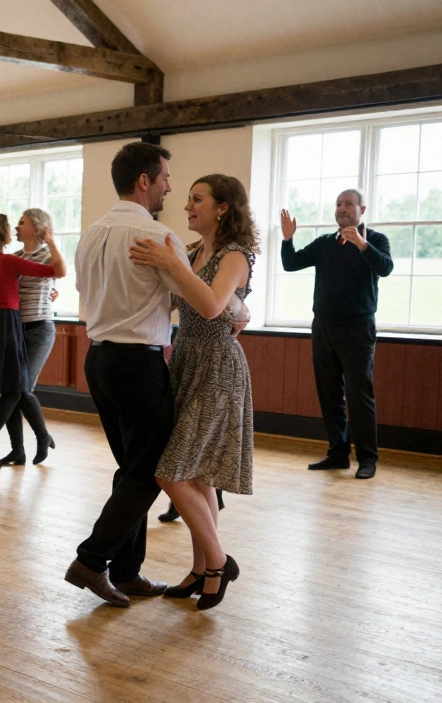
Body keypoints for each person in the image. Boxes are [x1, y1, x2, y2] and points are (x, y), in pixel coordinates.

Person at [64, 141, 247, 608]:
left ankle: (126, 572)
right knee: (150, 471)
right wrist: (233, 310)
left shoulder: (90, 233)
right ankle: (93, 560)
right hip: (137, 364)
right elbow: (198, 303)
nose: (170, 189)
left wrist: (234, 304)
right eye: (166, 179)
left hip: (99, 359)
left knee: (133, 469)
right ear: (145, 181)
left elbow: (92, 294)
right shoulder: (158, 239)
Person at [128, 173, 258, 610]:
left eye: (196, 199)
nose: (186, 206)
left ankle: (220, 562)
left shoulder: (235, 254)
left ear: (223, 207)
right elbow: (171, 301)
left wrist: (174, 268)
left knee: (172, 470)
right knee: (197, 475)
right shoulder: (188, 252)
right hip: (185, 360)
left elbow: (210, 304)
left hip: (218, 365)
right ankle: (201, 569)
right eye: (186, 198)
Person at [281, 189, 393, 479]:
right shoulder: (325, 243)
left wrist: (362, 244)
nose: (343, 208)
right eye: (339, 204)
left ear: (362, 209)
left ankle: (367, 459)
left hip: (358, 329)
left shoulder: (376, 241)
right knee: (329, 393)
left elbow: (386, 268)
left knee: (359, 396)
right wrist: (287, 238)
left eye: (349, 204)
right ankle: (337, 453)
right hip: (323, 327)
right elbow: (291, 264)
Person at [0, 213, 65, 467]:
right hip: (14, 327)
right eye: (13, 224)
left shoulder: (42, 254)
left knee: (19, 388)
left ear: (37, 228)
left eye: (21, 222)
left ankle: (38, 438)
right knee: (12, 388)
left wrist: (53, 286)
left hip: (37, 327)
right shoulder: (15, 258)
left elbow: (59, 273)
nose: (15, 227)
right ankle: (18, 450)